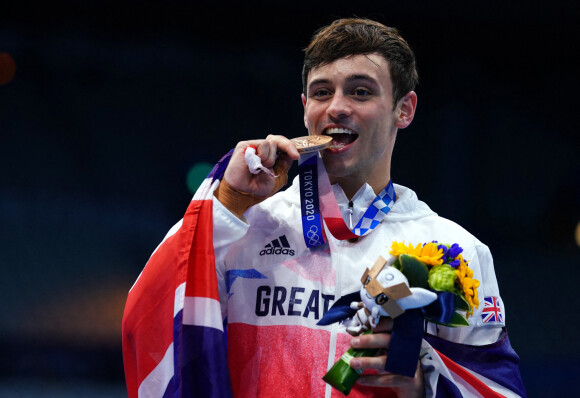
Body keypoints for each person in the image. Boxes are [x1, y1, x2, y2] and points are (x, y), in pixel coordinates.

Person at [123, 17, 526, 398]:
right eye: (321, 92)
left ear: (404, 109)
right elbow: (147, 317)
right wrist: (228, 200)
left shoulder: (455, 251)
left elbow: (498, 388)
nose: (336, 107)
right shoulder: (243, 226)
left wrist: (424, 385)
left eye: (360, 91)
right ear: (304, 107)